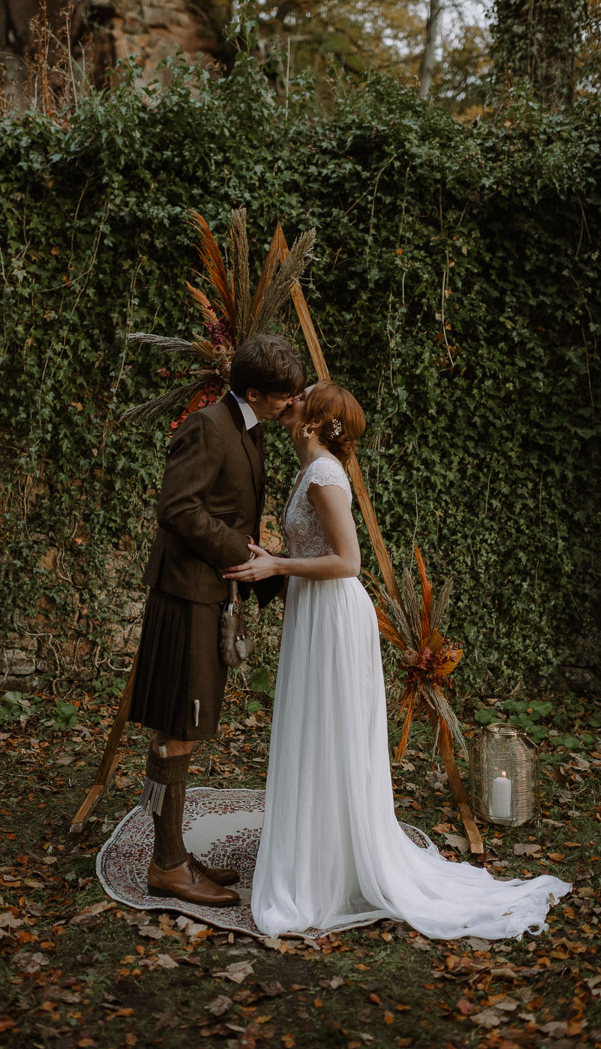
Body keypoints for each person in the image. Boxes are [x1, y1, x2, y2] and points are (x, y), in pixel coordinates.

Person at [225, 381, 571, 939]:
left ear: (314, 420)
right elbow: (316, 549)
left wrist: (278, 567)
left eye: (301, 396)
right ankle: (319, 853)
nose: (290, 399)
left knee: (329, 730)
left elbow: (348, 562)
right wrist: (277, 560)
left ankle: (332, 866)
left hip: (333, 615)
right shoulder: (310, 468)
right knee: (317, 730)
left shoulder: (324, 474)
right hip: (315, 611)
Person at [128, 334, 305, 908]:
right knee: (179, 726)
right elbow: (177, 508)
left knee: (186, 723)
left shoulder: (247, 426)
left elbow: (225, 510)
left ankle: (172, 854)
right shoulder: (208, 426)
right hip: (187, 596)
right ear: (254, 391)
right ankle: (167, 867)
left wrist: (269, 568)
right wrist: (247, 557)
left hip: (209, 593)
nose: (291, 403)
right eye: (283, 395)